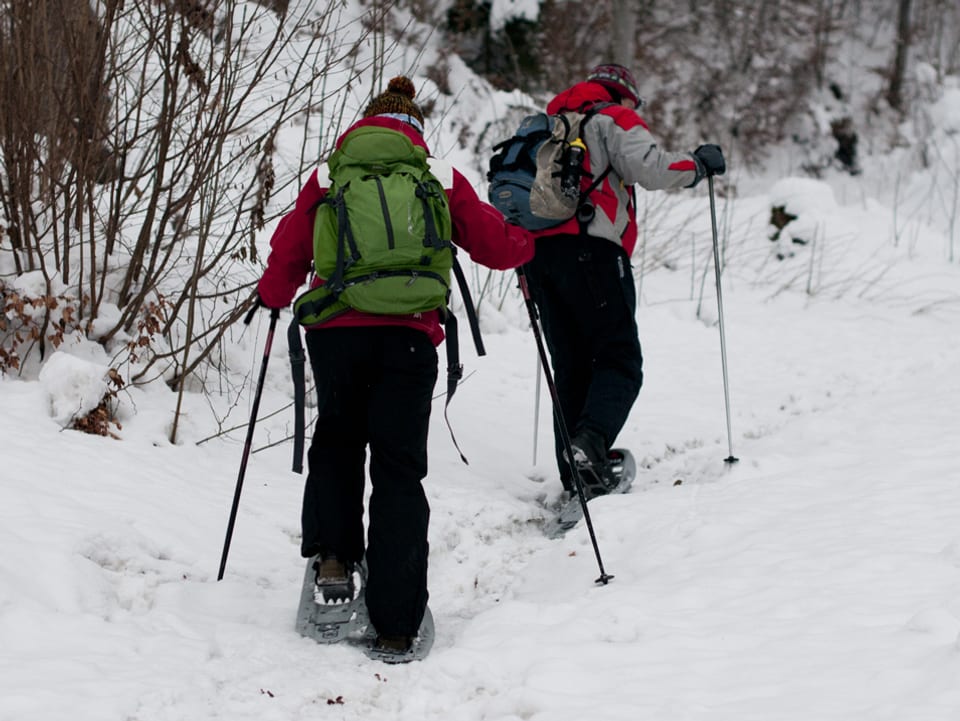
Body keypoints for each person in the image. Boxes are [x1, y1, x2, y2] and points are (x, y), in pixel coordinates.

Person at [256, 76, 534, 657]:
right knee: (398, 469)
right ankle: (396, 620)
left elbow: (289, 250)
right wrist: (526, 242)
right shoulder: (437, 174)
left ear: (365, 122)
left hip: (335, 334)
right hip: (407, 339)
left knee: (335, 443)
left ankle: (333, 562)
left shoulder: (330, 173)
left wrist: (274, 294)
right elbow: (496, 247)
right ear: (416, 128)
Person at [521, 63, 726, 498]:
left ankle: (575, 474)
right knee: (620, 361)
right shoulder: (612, 116)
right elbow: (648, 168)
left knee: (571, 367)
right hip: (593, 251)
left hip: (539, 258)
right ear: (626, 94)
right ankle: (591, 445)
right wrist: (699, 166)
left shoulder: (547, 126)